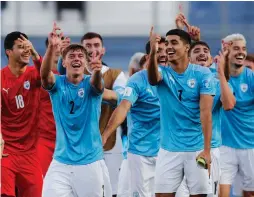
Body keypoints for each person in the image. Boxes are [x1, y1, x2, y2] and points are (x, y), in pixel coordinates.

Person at [41, 23, 110, 197]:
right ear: (63, 62)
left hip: (89, 163)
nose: (76, 58)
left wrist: (96, 71)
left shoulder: (91, 82)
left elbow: (97, 85)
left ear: (86, 62)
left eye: (80, 55)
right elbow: (44, 76)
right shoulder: (58, 84)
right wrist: (52, 47)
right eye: (71, 56)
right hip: (61, 163)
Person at [148, 27, 215, 197]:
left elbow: (206, 113)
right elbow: (152, 78)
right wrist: (153, 51)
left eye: (174, 43)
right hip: (168, 149)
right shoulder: (162, 73)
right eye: (167, 43)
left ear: (187, 47)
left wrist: (207, 150)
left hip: (196, 148)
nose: (169, 47)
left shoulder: (203, 73)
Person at [58, 32, 127, 197]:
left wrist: (95, 90)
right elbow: (56, 77)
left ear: (103, 50)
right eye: (87, 46)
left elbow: (121, 99)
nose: (92, 49)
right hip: (77, 146)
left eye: (96, 45)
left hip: (108, 143)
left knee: (111, 191)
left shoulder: (116, 74)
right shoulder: (72, 74)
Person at [176, 40, 236, 197]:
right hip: (181, 149)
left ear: (210, 59)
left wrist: (221, 72)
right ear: (188, 59)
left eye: (205, 51)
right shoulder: (178, 81)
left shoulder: (218, 83)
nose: (202, 53)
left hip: (209, 151)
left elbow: (229, 104)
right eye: (196, 51)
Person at [103, 51, 160, 197]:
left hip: (169, 153)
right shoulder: (137, 83)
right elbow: (117, 100)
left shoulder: (173, 81)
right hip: (138, 155)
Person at [1, 31, 43, 197]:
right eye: (21, 47)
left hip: (30, 154)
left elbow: (47, 77)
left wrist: (35, 54)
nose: (26, 50)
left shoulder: (34, 75)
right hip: (6, 153)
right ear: (8, 52)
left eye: (28, 47)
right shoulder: (1, 79)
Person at [219, 34, 254, 197]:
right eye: (236, 48)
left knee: (249, 193)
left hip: (250, 145)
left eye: (243, 49)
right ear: (226, 51)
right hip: (225, 145)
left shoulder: (251, 77)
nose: (241, 52)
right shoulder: (217, 73)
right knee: (221, 192)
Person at [36, 37, 65, 177]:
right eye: (55, 45)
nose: (58, 48)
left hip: (66, 141)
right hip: (43, 140)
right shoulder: (37, 74)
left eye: (61, 45)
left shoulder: (71, 77)